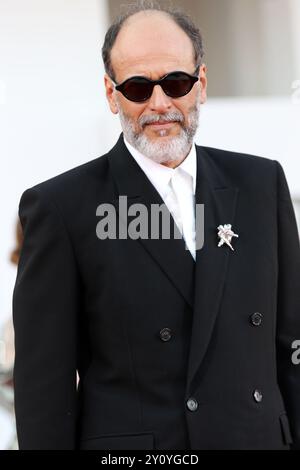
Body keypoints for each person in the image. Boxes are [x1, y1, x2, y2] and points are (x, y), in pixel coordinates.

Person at [13, 2, 300, 450]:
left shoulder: (262, 184)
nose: (160, 103)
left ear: (201, 84)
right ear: (112, 95)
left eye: (176, 82)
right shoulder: (60, 208)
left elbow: (292, 344)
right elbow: (41, 389)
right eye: (137, 87)